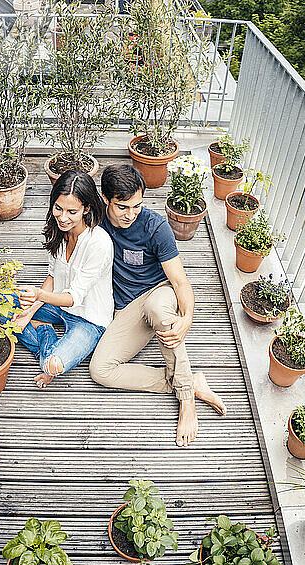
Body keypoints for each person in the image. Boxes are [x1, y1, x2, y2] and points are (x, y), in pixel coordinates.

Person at [89, 164, 227, 447]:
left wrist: (187, 317)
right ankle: (187, 381)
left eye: (137, 205)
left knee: (158, 310)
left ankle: (187, 399)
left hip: (159, 293)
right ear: (106, 199)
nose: (130, 214)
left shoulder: (155, 226)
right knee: (100, 370)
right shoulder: (96, 219)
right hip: (127, 309)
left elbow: (180, 281)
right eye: (122, 206)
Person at [0, 170, 114, 388]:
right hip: (56, 304)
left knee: (52, 365)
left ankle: (43, 332)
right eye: (58, 208)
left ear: (86, 209)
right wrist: (29, 312)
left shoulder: (99, 243)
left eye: (72, 211)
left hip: (89, 318)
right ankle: (39, 328)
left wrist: (38, 296)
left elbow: (73, 298)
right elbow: (52, 276)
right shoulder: (58, 231)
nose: (63, 217)